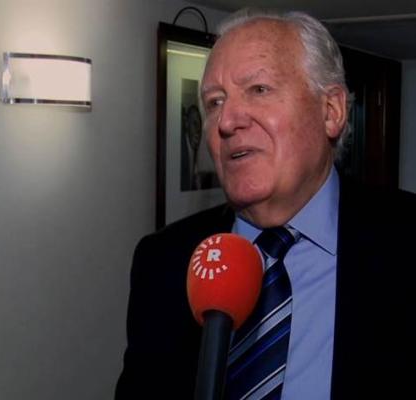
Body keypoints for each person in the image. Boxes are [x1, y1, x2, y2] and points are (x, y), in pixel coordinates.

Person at [115, 8, 415, 400]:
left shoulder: (407, 242)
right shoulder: (164, 260)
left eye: (258, 89)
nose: (227, 121)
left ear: (331, 111)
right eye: (214, 102)